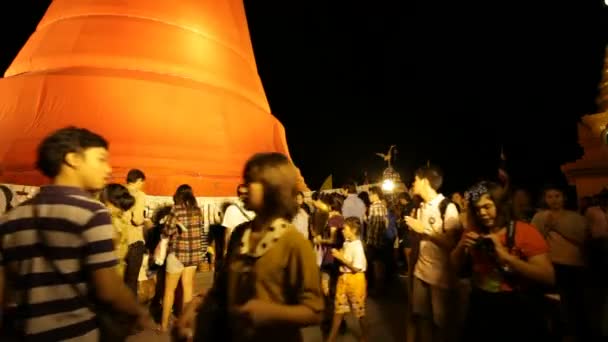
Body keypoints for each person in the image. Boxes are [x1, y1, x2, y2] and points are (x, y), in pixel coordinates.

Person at [0, 126, 153, 341]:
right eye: (100, 159)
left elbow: (5, 289)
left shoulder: (13, 217)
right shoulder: (92, 212)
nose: (108, 169)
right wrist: (137, 311)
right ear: (73, 159)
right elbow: (108, 288)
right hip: (75, 333)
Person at [173, 152, 323, 341]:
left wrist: (270, 312)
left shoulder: (294, 243)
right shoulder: (239, 234)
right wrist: (196, 304)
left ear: (273, 188)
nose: (243, 189)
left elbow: (314, 311)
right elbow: (222, 288)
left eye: (251, 182)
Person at [326, 217, 368, 342]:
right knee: (339, 310)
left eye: (345, 229)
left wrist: (341, 257)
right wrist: (339, 254)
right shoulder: (347, 243)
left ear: (354, 230)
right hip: (343, 278)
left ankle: (365, 336)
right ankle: (331, 338)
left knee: (359, 311)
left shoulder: (358, 246)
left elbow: (357, 267)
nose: (343, 231)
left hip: (355, 280)